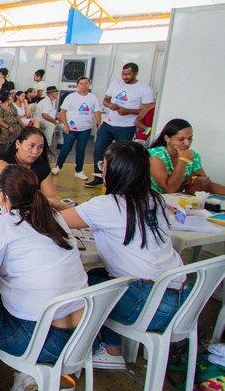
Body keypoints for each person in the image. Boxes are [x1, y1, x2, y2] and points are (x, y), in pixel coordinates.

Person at [0, 164, 87, 389]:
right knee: (3, 291)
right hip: (81, 336)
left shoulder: (5, 224)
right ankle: (26, 373)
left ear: (2, 195)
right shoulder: (54, 216)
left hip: (35, 339)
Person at [61, 141, 189, 370]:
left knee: (79, 284)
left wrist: (50, 205)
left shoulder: (107, 205)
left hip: (148, 305)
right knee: (99, 274)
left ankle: (109, 351)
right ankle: (113, 344)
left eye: (104, 165)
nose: (102, 169)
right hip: (182, 301)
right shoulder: (154, 199)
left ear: (115, 170)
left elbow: (56, 221)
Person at [85, 63, 154, 188]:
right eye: (123, 74)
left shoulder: (144, 89)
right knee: (99, 149)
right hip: (108, 123)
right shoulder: (116, 83)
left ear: (135, 73)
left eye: (127, 74)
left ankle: (120, 179)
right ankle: (98, 176)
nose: (124, 77)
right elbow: (105, 99)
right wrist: (109, 105)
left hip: (126, 127)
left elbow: (147, 109)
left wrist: (127, 111)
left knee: (123, 155)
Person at [0, 127, 69, 217]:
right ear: (17, 144)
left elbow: (51, 195)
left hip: (25, 209)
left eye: (40, 147)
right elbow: (15, 196)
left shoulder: (41, 165)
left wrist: (64, 207)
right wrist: (44, 202)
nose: (35, 152)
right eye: (31, 146)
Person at [147, 119, 225, 194]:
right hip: (153, 201)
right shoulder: (155, 154)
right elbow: (169, 189)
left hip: (176, 201)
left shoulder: (193, 155)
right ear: (167, 138)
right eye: (181, 139)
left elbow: (205, 184)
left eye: (190, 138)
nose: (187, 143)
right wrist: (183, 160)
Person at [52, 77, 101, 181]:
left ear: (89, 84)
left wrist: (99, 123)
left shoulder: (93, 98)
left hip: (85, 129)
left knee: (81, 149)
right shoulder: (71, 97)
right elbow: (63, 112)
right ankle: (58, 166)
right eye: (81, 83)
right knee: (66, 148)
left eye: (86, 83)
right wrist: (65, 125)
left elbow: (97, 112)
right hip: (71, 128)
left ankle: (79, 171)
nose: (83, 85)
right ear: (77, 85)